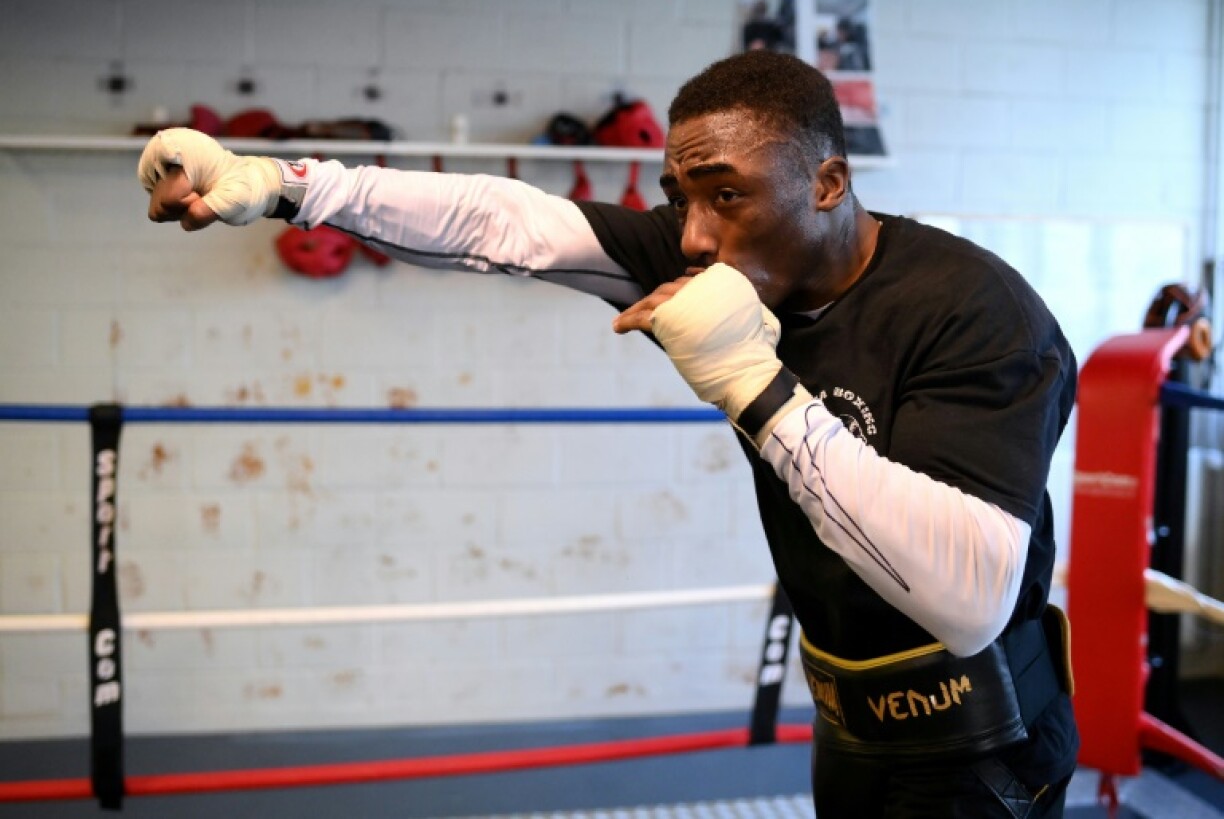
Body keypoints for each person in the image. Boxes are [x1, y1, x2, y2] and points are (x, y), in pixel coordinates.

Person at [139, 50, 1079, 818]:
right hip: (849, 728)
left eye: (726, 194)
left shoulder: (975, 312)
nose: (698, 238)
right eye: (682, 196)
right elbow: (508, 224)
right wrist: (289, 185)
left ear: (827, 181)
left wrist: (758, 388)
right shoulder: (726, 254)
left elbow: (971, 597)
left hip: (982, 754)